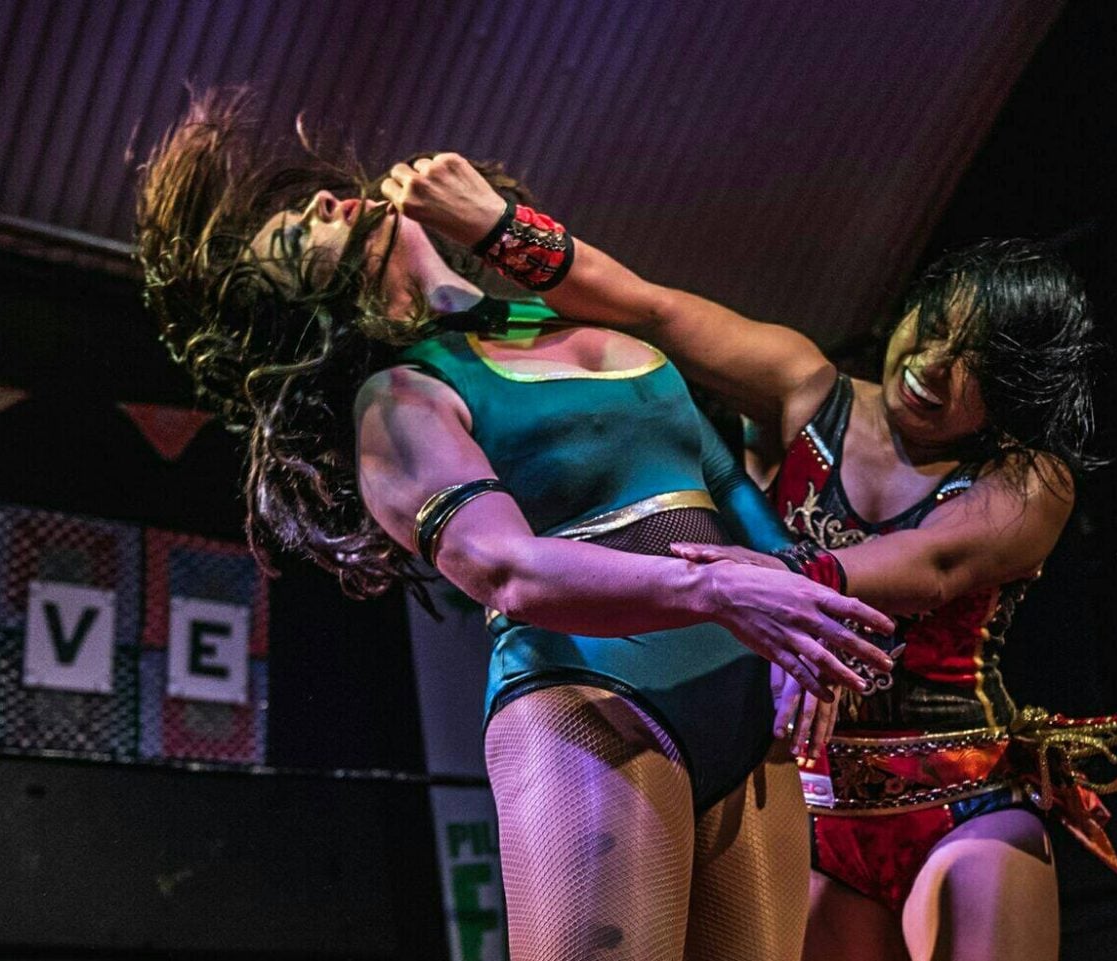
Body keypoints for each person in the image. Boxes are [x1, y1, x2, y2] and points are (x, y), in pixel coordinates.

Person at [133, 91, 897, 961]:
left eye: (306, 205)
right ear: (311, 309)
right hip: (597, 701)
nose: (318, 204)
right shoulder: (397, 400)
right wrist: (721, 589)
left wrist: (803, 602)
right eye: (297, 238)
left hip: (745, 703)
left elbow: (720, 476)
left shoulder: (560, 314)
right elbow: (507, 568)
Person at [377, 149, 1117, 961]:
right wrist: (498, 228)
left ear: (1018, 392)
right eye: (933, 326)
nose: (931, 366)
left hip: (960, 796)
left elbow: (931, 567)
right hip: (803, 788)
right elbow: (649, 308)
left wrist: (766, 583)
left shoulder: (1029, 481)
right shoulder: (804, 384)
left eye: (974, 367)